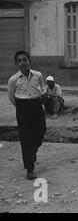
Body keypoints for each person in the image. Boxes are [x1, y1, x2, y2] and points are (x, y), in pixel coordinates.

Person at [8, 50, 47, 180]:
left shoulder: (38, 75)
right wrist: (21, 107)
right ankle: (30, 169)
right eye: (19, 61)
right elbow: (11, 97)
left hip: (36, 106)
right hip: (22, 108)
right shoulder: (13, 80)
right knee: (26, 138)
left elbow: (42, 88)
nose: (23, 63)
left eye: (25, 60)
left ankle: (34, 149)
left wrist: (38, 101)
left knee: (41, 131)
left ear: (29, 61)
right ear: (16, 64)